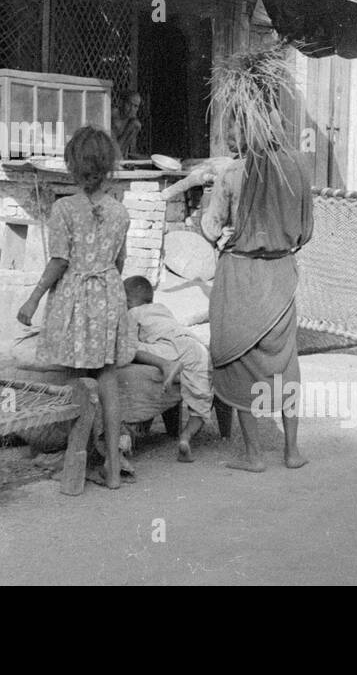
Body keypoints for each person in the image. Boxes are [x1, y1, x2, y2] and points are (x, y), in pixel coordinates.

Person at [17, 125, 131, 489]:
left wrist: (33, 299)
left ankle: (74, 464)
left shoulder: (64, 209)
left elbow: (59, 261)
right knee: (107, 378)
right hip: (109, 293)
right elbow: (120, 262)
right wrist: (108, 292)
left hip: (75, 299)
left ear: (74, 165)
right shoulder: (120, 211)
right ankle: (113, 468)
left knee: (73, 379)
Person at [200, 114, 313, 472]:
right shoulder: (298, 166)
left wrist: (211, 229)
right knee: (284, 360)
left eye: (233, 129)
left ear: (249, 130)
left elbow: (211, 226)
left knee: (237, 359)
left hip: (241, 277)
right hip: (280, 275)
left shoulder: (233, 173)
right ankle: (291, 450)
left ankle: (253, 455)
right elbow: (306, 232)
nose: (229, 136)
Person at [124, 275, 213, 462]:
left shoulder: (132, 313)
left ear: (128, 300)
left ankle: (167, 365)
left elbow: (131, 343)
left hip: (169, 349)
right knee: (201, 400)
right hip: (196, 349)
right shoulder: (162, 309)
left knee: (127, 348)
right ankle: (185, 438)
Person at [111, 91, 143, 159]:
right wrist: (128, 129)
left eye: (135, 106)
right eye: (129, 104)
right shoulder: (113, 116)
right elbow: (114, 152)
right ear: (121, 102)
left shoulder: (132, 121)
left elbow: (122, 151)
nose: (132, 109)